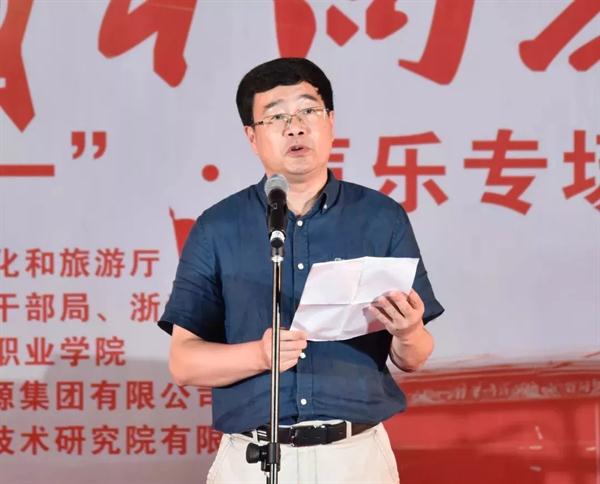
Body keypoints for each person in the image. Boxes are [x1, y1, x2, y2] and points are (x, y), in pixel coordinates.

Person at [158, 58, 444, 484]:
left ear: (330, 122)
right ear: (252, 136)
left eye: (308, 110)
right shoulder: (218, 227)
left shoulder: (380, 217)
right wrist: (260, 355)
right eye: (276, 117)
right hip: (251, 460)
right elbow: (184, 362)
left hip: (355, 458)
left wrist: (408, 331)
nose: (295, 127)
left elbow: (413, 357)